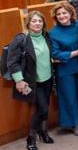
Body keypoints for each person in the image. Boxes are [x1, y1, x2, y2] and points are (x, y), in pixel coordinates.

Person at [7, 11, 54, 150]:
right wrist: (19, 80)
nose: (37, 23)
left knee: (44, 109)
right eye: (34, 21)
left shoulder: (46, 36)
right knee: (43, 110)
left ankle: (43, 132)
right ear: (28, 23)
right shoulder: (20, 39)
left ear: (43, 23)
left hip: (48, 79)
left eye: (40, 21)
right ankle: (31, 138)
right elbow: (12, 62)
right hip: (32, 82)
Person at [49, 2, 78, 135]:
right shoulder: (53, 33)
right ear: (55, 16)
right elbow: (55, 53)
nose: (62, 16)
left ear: (70, 13)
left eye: (64, 13)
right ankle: (73, 124)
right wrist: (76, 53)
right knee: (69, 96)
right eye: (59, 14)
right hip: (64, 69)